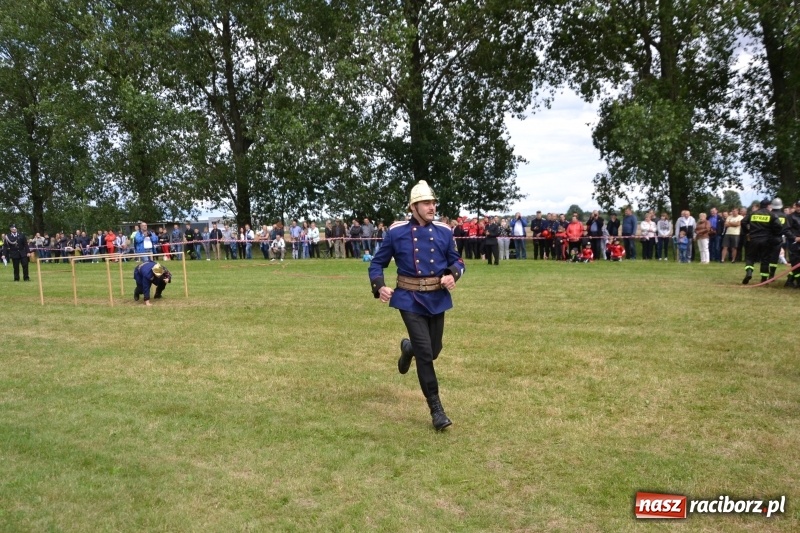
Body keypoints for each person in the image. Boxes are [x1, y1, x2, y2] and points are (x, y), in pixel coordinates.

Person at [368, 180, 465, 431]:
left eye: (433, 202)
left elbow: (459, 262)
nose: (432, 207)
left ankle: (408, 348)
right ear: (413, 207)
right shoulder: (397, 232)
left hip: (437, 298)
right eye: (426, 203)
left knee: (432, 350)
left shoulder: (444, 231)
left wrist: (452, 274)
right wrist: (380, 286)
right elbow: (376, 264)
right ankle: (436, 409)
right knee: (426, 354)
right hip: (408, 299)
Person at [741, 198, 783, 284]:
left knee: (750, 258)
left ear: (760, 206)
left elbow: (743, 222)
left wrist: (747, 232)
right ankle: (764, 279)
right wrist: (773, 232)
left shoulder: (753, 213)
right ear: (768, 206)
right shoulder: (772, 215)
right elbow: (779, 226)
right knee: (765, 259)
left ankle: (749, 272)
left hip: (753, 239)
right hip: (766, 240)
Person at [784, 201, 800, 288]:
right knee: (796, 263)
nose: (799, 208)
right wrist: (795, 238)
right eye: (798, 206)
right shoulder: (791, 217)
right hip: (794, 243)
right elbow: (786, 230)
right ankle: (797, 281)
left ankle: (789, 280)